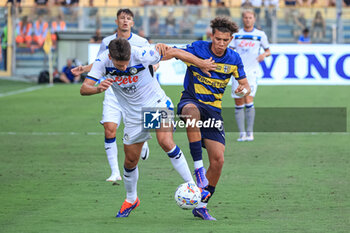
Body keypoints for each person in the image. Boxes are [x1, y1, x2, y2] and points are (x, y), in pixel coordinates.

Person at [80, 38, 217, 218]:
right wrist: (98, 89)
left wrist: (201, 64)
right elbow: (84, 88)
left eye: (126, 64)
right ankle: (131, 199)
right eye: (119, 66)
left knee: (166, 142)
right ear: (111, 57)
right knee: (130, 162)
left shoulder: (143, 54)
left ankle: (194, 186)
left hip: (156, 104)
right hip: (133, 116)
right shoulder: (102, 61)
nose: (123, 68)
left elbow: (174, 52)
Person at [175, 16, 250, 220]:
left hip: (214, 111)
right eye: (218, 39)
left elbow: (245, 83)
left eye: (225, 40)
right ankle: (198, 168)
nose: (221, 44)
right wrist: (196, 62)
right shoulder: (198, 47)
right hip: (191, 100)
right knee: (192, 113)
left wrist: (243, 89)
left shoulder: (234, 59)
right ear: (212, 36)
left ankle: (201, 205)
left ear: (231, 39)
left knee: (218, 160)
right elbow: (172, 52)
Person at [71, 9, 151, 182]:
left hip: (135, 91)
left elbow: (151, 61)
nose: (125, 21)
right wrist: (85, 69)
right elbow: (102, 60)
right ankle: (115, 172)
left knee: (141, 126)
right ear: (116, 21)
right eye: (122, 18)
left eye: (128, 18)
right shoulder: (107, 42)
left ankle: (143, 141)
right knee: (109, 129)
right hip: (113, 90)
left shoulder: (141, 42)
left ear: (132, 23)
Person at [228, 9, 270, 142]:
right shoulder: (236, 35)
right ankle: (242, 134)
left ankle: (250, 132)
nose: (248, 19)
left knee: (248, 99)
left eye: (250, 17)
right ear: (242, 19)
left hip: (252, 72)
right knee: (238, 101)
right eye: (245, 17)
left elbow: (268, 50)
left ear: (254, 19)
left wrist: (264, 54)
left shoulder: (260, 35)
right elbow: (231, 50)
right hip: (237, 73)